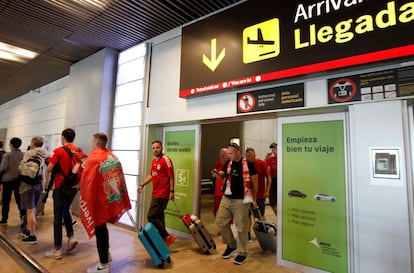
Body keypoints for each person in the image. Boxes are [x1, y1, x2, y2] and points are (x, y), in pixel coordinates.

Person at [80, 133, 131, 273]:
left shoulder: (94, 158)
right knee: (103, 229)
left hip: (99, 202)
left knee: (100, 230)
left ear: (96, 143)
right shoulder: (112, 157)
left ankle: (103, 264)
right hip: (110, 200)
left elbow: (87, 181)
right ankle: (106, 255)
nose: (91, 144)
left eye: (92, 141)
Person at [215, 142, 258, 265]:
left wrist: (253, 198)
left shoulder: (249, 165)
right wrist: (217, 174)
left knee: (240, 227)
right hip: (227, 198)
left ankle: (242, 252)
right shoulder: (228, 163)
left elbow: (255, 182)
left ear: (238, 151)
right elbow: (222, 175)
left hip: (241, 200)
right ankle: (232, 245)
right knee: (220, 222)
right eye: (227, 153)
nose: (229, 155)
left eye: (231, 153)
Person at [45, 128, 84, 259]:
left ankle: (57, 249)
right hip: (74, 187)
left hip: (61, 186)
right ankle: (71, 237)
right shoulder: (79, 151)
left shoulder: (58, 151)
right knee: (66, 210)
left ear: (63, 137)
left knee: (57, 217)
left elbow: (49, 169)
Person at [138, 140, 176, 247]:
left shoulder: (166, 160)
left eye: (157, 147)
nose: (155, 150)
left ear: (162, 148)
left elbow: (171, 177)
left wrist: (172, 191)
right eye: (154, 148)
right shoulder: (154, 161)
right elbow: (152, 175)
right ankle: (164, 239)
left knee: (151, 216)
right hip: (155, 192)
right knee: (159, 215)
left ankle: (167, 236)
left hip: (163, 193)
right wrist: (142, 184)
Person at [19, 136, 48, 244]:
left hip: (28, 185)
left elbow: (23, 168)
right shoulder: (45, 154)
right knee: (33, 209)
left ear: (33, 143)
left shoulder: (29, 153)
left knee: (30, 210)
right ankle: (28, 230)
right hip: (40, 184)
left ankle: (32, 236)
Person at [245, 147, 271, 241]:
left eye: (250, 156)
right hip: (248, 195)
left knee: (260, 215)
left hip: (259, 195)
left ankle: (264, 231)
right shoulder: (245, 164)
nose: (248, 158)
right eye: (247, 156)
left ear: (254, 155)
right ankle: (248, 234)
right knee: (247, 215)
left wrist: (267, 190)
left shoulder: (262, 163)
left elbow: (269, 178)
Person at [0, 137, 25, 226]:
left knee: (6, 200)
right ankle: (22, 216)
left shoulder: (7, 155)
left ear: (11, 145)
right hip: (19, 180)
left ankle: (4, 218)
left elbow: (3, 167)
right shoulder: (23, 154)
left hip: (7, 180)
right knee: (19, 200)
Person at [212, 148, 227, 216]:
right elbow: (214, 175)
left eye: (224, 154)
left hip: (225, 193)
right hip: (217, 192)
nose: (222, 156)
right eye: (221, 154)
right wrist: (214, 174)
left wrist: (218, 174)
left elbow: (222, 176)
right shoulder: (218, 164)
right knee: (216, 211)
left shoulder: (229, 164)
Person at [265, 142, 277, 216]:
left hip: (279, 181)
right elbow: (263, 165)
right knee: (272, 202)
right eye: (272, 149)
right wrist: (266, 157)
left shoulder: (282, 158)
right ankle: (279, 218)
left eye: (275, 148)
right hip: (272, 181)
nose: (273, 150)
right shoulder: (271, 159)